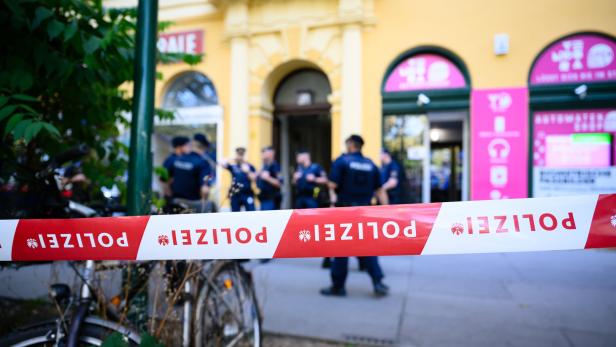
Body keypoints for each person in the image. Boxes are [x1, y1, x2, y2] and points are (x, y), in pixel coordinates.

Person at [321, 134, 390, 297]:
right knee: (367, 248)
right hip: (365, 211)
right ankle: (378, 282)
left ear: (351, 145)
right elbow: (380, 190)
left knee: (341, 249)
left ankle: (338, 286)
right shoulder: (371, 164)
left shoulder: (342, 161)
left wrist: (326, 182)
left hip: (345, 211)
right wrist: (387, 211)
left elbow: (333, 184)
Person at [167, 142, 213, 212]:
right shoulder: (203, 163)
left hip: (176, 201)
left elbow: (167, 180)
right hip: (193, 203)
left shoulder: (177, 159)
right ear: (203, 149)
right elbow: (205, 189)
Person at [221, 147, 257, 212]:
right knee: (235, 213)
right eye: (238, 154)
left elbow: (254, 178)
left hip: (247, 193)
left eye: (241, 154)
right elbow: (222, 163)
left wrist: (248, 171)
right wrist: (232, 159)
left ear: (244, 155)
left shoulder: (249, 166)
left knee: (251, 212)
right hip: (235, 193)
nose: (240, 157)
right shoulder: (233, 166)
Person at [256, 146, 282, 210]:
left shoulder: (275, 166)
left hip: (271, 199)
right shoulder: (264, 166)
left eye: (265, 153)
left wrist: (267, 178)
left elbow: (279, 183)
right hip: (263, 198)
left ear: (271, 154)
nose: (262, 155)